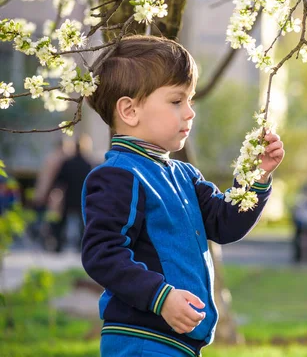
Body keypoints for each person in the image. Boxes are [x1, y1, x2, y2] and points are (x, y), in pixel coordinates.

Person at [81, 35, 285, 357]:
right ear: (130, 110)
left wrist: (255, 177)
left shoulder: (185, 175)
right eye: (177, 101)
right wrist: (160, 297)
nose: (190, 112)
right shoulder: (119, 176)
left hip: (180, 343)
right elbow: (103, 254)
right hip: (142, 340)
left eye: (189, 100)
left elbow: (224, 224)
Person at [50, 135, 94, 252]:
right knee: (83, 223)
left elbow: (59, 180)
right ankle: (82, 246)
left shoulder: (67, 163)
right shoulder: (87, 164)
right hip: (82, 196)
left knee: (62, 222)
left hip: (68, 196)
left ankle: (58, 245)